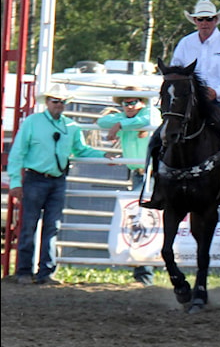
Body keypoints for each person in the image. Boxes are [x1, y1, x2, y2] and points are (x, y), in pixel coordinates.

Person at [141, 0, 220, 209]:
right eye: (200, 19)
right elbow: (176, 71)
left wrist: (217, 92)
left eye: (209, 19)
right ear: (195, 21)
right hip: (188, 105)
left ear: (216, 20)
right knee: (157, 140)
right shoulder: (185, 44)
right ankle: (158, 189)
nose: (204, 22)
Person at [7, 85, 113, 285]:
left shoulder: (71, 127)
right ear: (47, 102)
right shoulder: (33, 122)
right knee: (30, 225)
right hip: (35, 178)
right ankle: (25, 271)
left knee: (52, 227)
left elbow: (81, 149)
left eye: (62, 101)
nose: (58, 105)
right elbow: (18, 152)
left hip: (56, 180)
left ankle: (44, 272)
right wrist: (15, 181)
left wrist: (102, 154)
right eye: (55, 101)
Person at [97, 88, 161, 284]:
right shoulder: (127, 118)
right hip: (139, 174)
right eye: (125, 103)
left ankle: (144, 274)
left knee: (146, 221)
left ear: (142, 102)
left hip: (152, 174)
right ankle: (143, 273)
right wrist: (121, 123)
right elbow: (102, 121)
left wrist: (120, 124)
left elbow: (149, 120)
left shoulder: (151, 114)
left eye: (133, 102)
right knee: (143, 222)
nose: (129, 106)